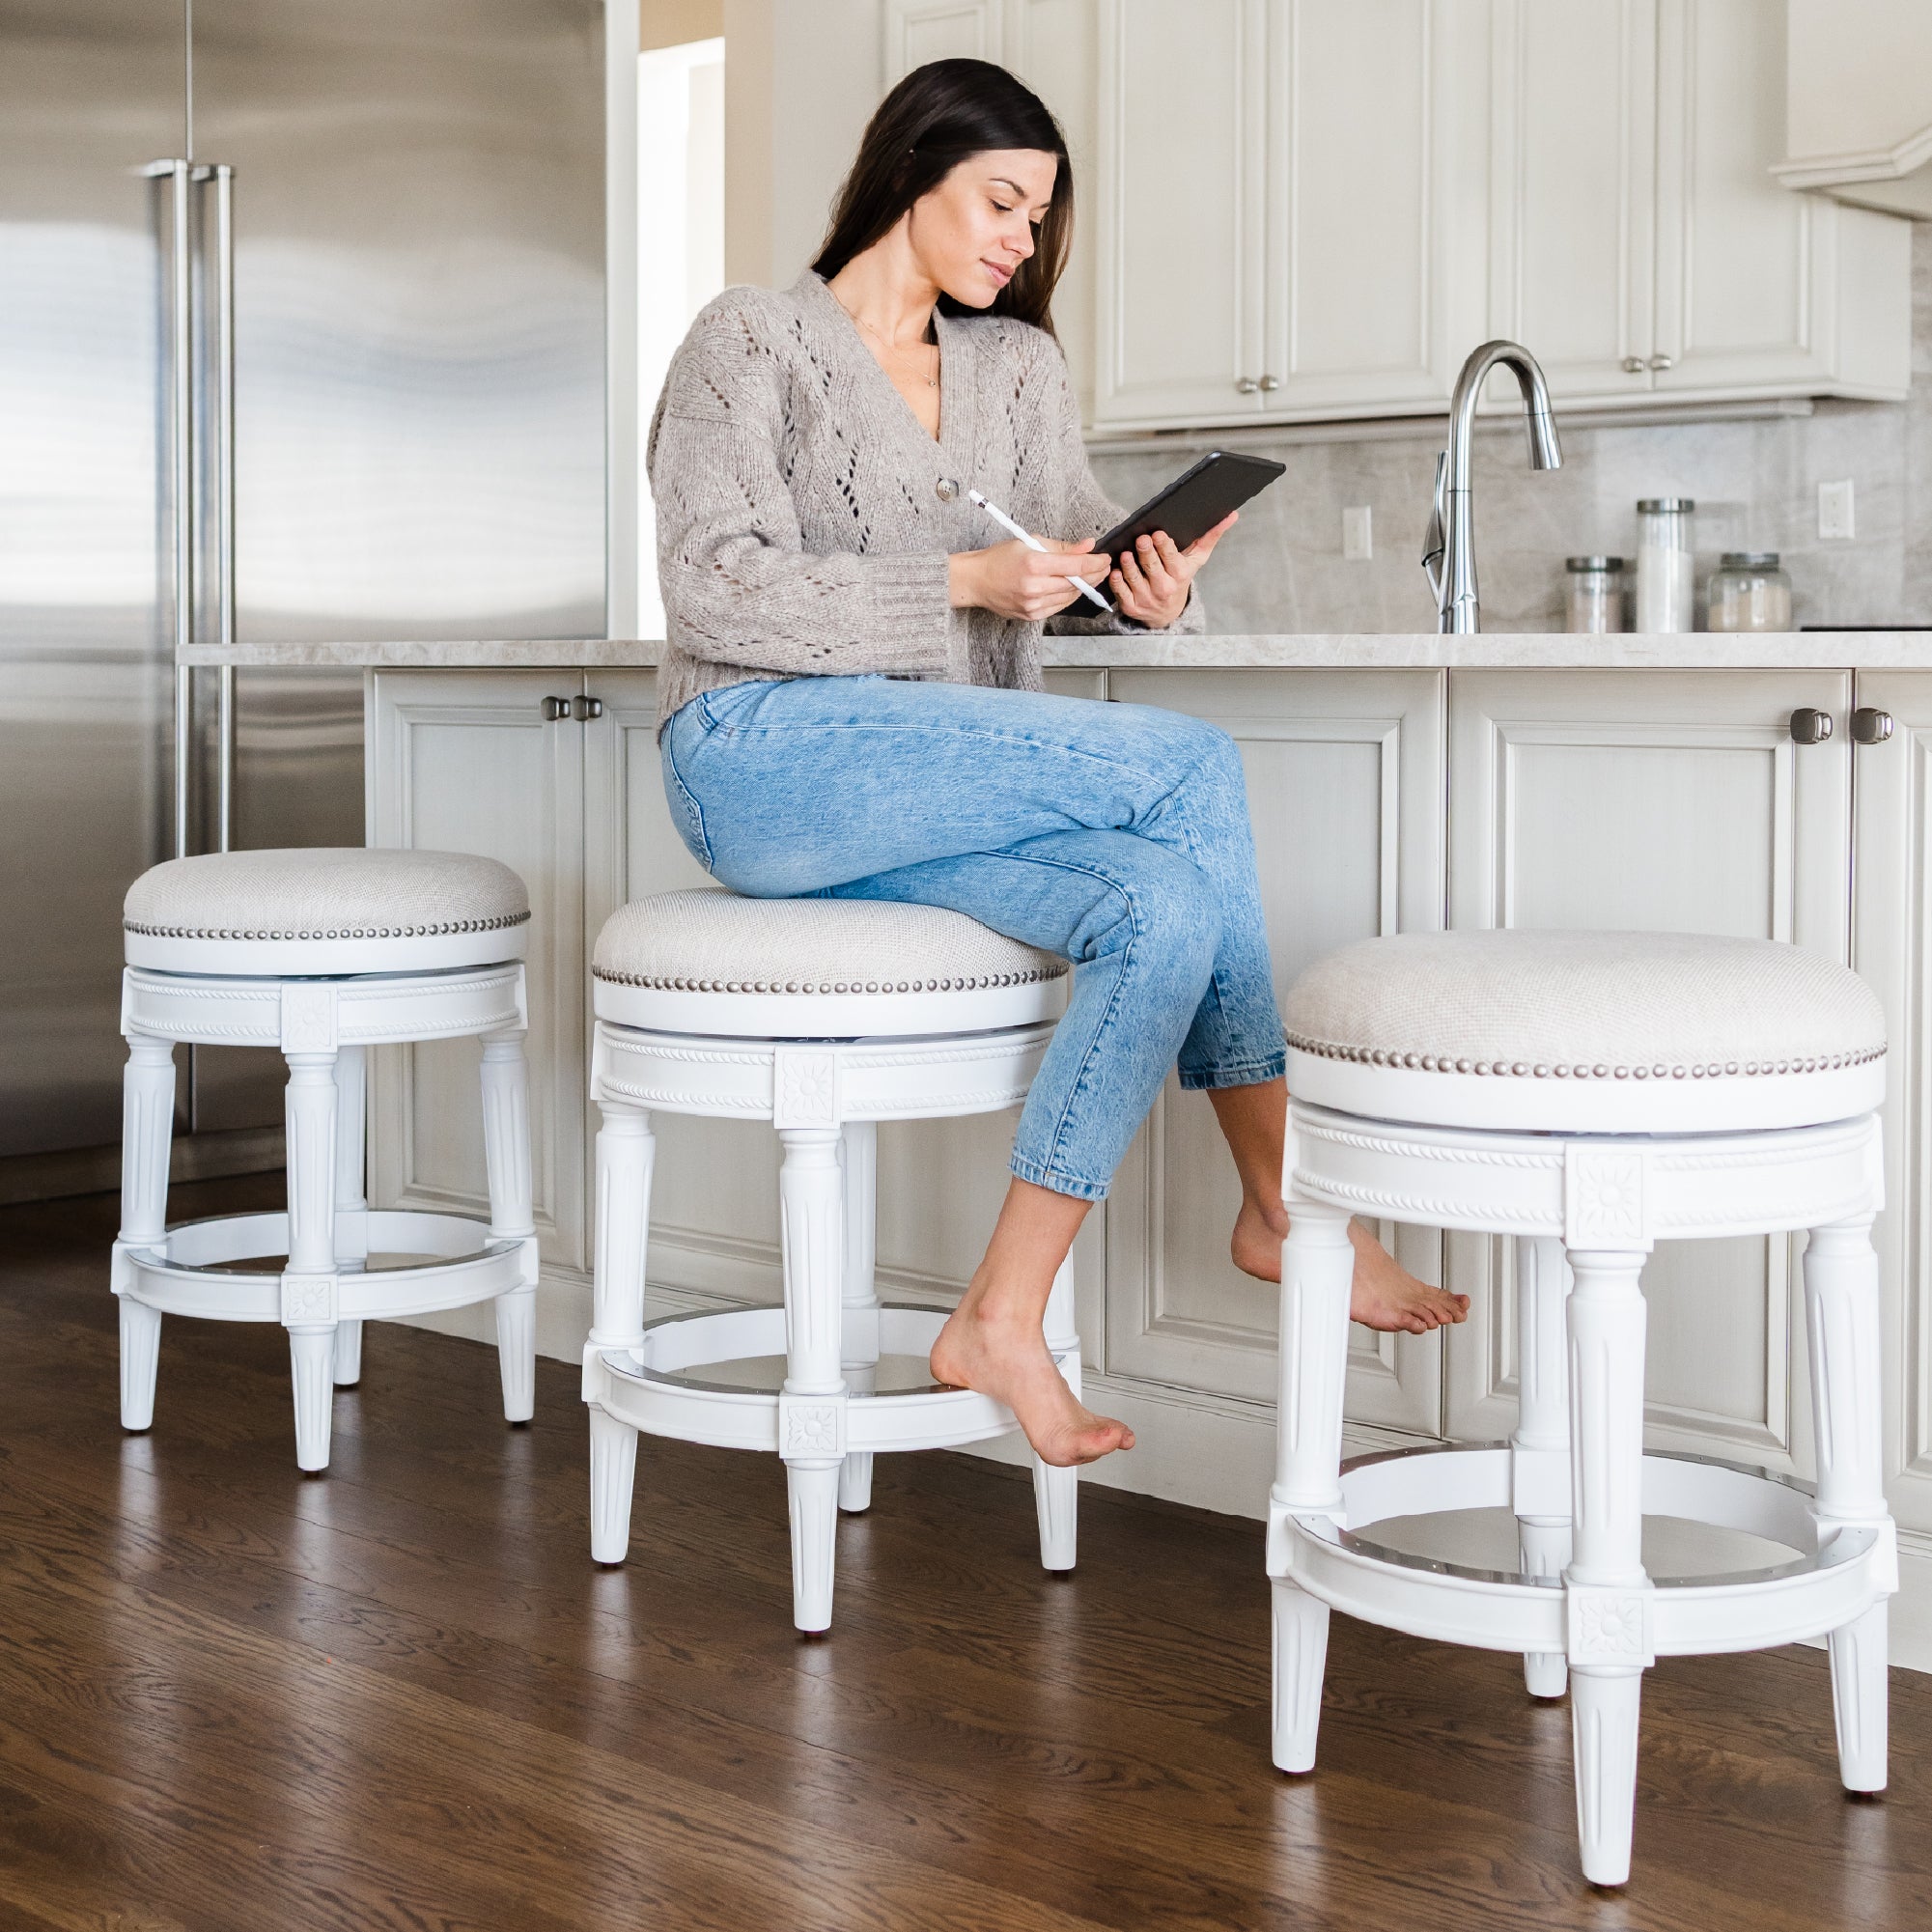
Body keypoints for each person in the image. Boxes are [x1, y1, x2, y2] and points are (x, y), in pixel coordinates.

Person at [646, 58, 1467, 1470]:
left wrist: (1139, 586)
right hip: (759, 759)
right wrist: (963, 578)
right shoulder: (749, 340)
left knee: (1163, 904)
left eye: (1039, 216)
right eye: (999, 201)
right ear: (910, 174)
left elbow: (1071, 544)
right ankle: (1286, 1208)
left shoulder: (1014, 366)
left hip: (923, 785)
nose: (1022, 239)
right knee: (1193, 768)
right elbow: (715, 584)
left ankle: (1000, 1314)